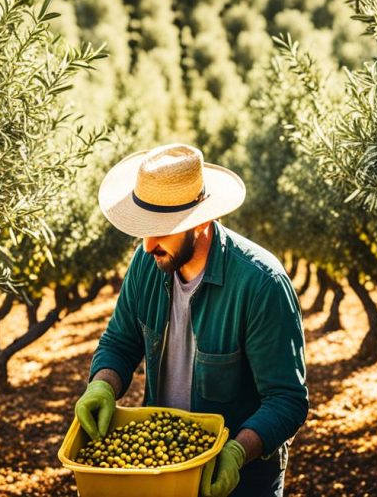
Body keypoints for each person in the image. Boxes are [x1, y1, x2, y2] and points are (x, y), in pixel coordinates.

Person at [75, 143, 308, 497]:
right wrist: (102, 385)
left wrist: (235, 453)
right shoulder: (146, 262)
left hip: (239, 484)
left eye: (162, 229)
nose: (148, 244)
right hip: (160, 472)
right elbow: (120, 343)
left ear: (200, 221)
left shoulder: (261, 284)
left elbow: (286, 399)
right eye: (144, 229)